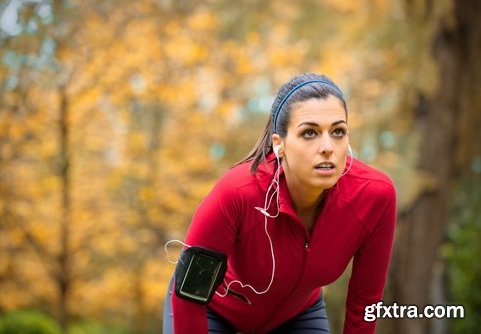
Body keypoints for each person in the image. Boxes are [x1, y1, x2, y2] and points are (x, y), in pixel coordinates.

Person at [163, 73, 396, 333]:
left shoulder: (375, 195)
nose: (328, 147)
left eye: (338, 132)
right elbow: (190, 294)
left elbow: (365, 301)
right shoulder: (238, 192)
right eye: (310, 132)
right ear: (279, 144)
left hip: (297, 316)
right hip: (210, 311)